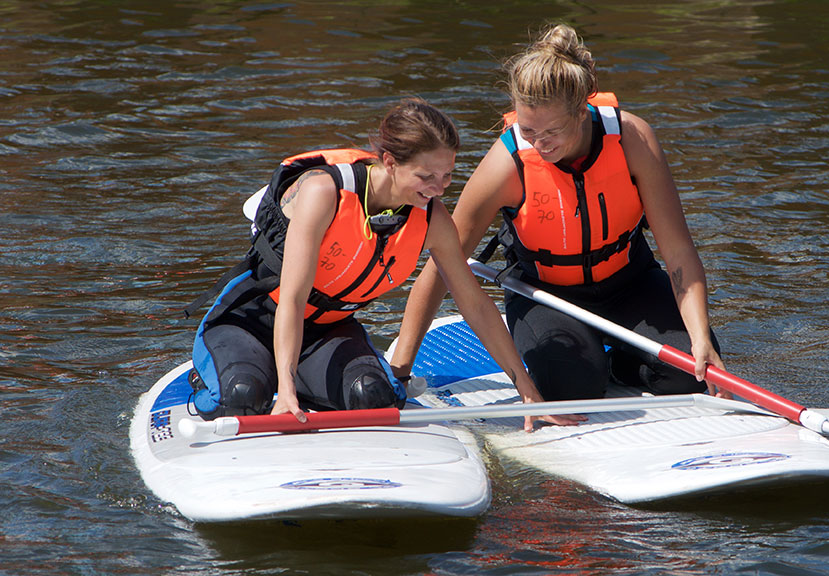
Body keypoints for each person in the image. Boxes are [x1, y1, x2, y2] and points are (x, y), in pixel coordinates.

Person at [389, 25, 728, 429]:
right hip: (544, 295)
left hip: (629, 282)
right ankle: (589, 363)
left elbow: (678, 251)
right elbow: (444, 263)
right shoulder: (507, 164)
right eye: (530, 131)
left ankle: (621, 362)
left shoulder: (634, 140)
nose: (540, 143)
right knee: (571, 387)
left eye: (553, 131)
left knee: (688, 373)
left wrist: (700, 335)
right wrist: (401, 370)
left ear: (582, 112)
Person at [187, 98, 580, 429]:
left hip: (323, 332)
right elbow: (291, 298)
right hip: (252, 321)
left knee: (372, 397)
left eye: (446, 176)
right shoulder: (324, 192)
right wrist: (286, 395)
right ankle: (245, 376)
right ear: (389, 162)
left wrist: (526, 389)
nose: (438, 189)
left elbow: (473, 302)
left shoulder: (431, 216)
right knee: (242, 397)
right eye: (426, 176)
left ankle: (296, 380)